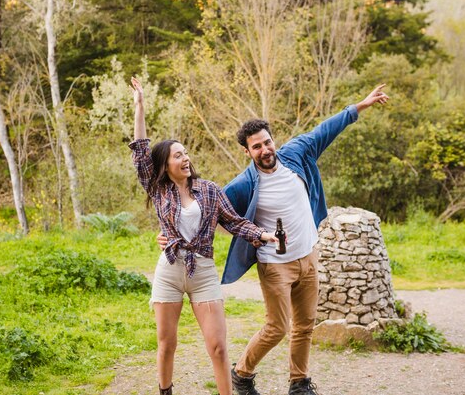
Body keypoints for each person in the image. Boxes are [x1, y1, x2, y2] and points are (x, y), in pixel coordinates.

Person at [159, 84, 389, 395]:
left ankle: (299, 382)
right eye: (257, 147)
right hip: (274, 264)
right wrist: (173, 233)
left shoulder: (296, 153)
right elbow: (207, 212)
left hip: (308, 255)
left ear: (273, 141)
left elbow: (326, 129)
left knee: (305, 325)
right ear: (247, 151)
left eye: (268, 143)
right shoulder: (243, 185)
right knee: (278, 327)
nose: (265, 150)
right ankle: (242, 373)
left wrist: (360, 106)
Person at [128, 77, 278, 395]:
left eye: (186, 153)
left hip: (203, 272)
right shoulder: (158, 190)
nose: (185, 158)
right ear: (165, 164)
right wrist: (140, 106)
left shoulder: (209, 190)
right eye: (178, 155)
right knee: (167, 344)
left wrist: (264, 235)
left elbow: (236, 222)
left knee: (219, 347)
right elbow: (141, 152)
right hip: (169, 271)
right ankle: (165, 390)